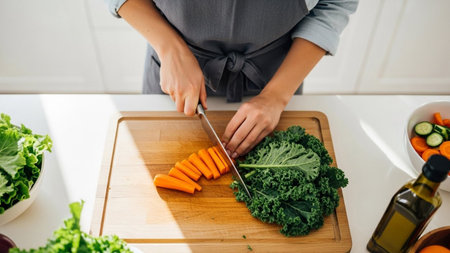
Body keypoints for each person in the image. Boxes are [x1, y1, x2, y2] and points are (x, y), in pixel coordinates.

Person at [106, 0, 358, 158]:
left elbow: (334, 4)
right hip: (174, 68)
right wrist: (170, 47)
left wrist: (276, 95)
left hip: (276, 74)